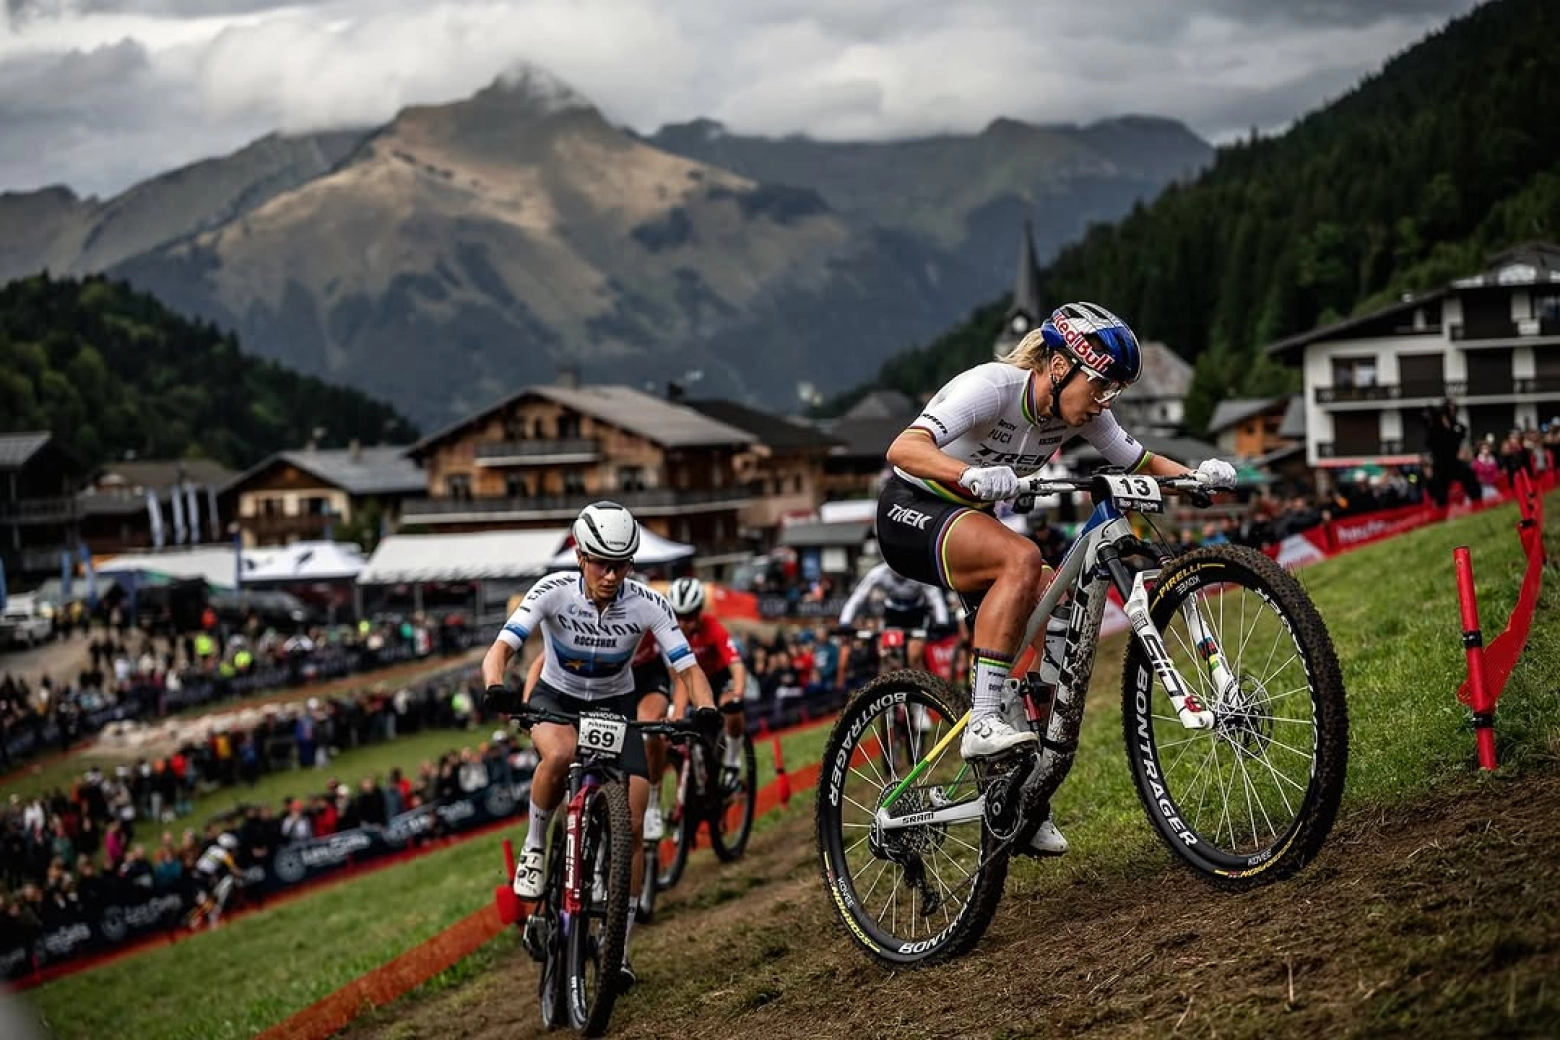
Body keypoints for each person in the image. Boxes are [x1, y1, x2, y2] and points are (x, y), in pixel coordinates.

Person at [877, 301, 1236, 856]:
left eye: (1114, 391)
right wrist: (970, 474)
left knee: (1056, 607)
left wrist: (1197, 475)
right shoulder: (992, 388)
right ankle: (985, 720)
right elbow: (904, 447)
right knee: (1021, 558)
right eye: (1101, 384)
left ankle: (1020, 792)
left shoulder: (1085, 414)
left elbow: (1137, 461)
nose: (1104, 400)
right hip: (913, 509)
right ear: (1061, 366)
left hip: (970, 519)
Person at [483, 501, 720, 986]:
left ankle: (621, 949)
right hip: (556, 698)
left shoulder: (648, 604)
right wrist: (494, 686)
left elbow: (688, 667)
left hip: (615, 708)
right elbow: (502, 649)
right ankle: (534, 847)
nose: (612, 576)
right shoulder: (550, 591)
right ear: (580, 555)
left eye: (623, 565)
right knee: (562, 754)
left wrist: (705, 709)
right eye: (602, 564)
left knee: (632, 827)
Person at [837, 561, 951, 671]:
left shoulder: (919, 572)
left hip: (916, 614)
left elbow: (935, 598)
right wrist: (845, 622)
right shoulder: (878, 573)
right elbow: (858, 597)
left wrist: (942, 621)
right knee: (887, 655)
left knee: (914, 656)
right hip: (893, 614)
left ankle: (921, 685)